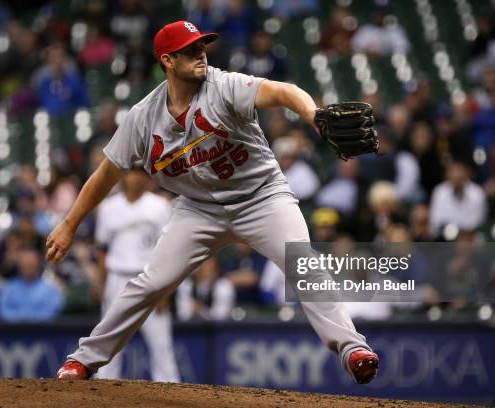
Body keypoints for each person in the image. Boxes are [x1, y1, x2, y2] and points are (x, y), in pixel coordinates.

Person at [49, 20, 379, 384]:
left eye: (201, 45)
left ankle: (352, 348)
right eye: (190, 49)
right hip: (199, 209)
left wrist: (313, 116)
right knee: (151, 283)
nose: (200, 52)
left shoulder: (224, 86)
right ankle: (83, 360)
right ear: (168, 60)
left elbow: (284, 91)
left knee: (303, 263)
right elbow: (106, 174)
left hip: (262, 197)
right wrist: (68, 224)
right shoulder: (143, 117)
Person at [94, 168, 180, 382]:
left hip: (149, 279)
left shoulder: (160, 205)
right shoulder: (108, 208)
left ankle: (170, 393)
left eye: (140, 173)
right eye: (131, 173)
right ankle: (101, 396)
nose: (135, 178)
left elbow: (169, 250)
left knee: (161, 346)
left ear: (147, 178)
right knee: (108, 344)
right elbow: (103, 249)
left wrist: (165, 291)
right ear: (123, 177)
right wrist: (101, 283)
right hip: (117, 278)